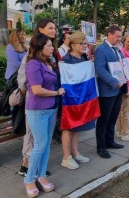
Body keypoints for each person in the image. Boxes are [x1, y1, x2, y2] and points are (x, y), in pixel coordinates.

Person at [24, 34, 64, 197]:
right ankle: (29, 179)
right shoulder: (33, 64)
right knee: (40, 145)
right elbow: (36, 89)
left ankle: (41, 176)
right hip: (37, 110)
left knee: (46, 144)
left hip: (50, 109)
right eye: (48, 45)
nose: (52, 48)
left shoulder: (48, 63)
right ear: (40, 47)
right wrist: (56, 92)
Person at [17, 19, 58, 177]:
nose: (54, 31)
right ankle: (27, 166)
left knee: (42, 140)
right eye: (50, 28)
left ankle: (38, 169)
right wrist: (30, 94)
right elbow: (22, 77)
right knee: (32, 135)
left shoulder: (49, 52)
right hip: (36, 102)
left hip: (48, 103)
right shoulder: (33, 55)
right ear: (40, 30)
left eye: (55, 28)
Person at [60, 31, 98, 169]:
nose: (84, 46)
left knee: (77, 127)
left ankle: (75, 152)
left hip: (81, 99)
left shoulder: (83, 58)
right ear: (72, 45)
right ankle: (66, 157)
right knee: (69, 128)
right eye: (81, 44)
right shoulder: (66, 60)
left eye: (85, 43)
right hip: (70, 101)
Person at [94, 25, 129, 159]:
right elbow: (100, 69)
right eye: (118, 36)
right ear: (109, 34)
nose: (120, 39)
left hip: (118, 89)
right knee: (104, 120)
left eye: (120, 36)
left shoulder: (117, 49)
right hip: (107, 90)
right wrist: (114, 82)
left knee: (113, 118)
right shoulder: (101, 49)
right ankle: (101, 146)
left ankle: (110, 141)